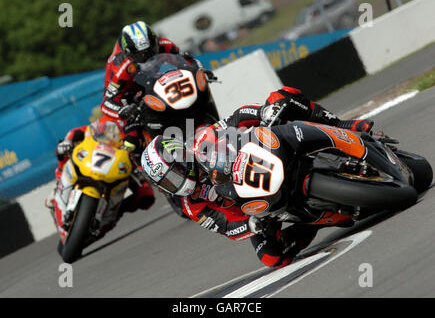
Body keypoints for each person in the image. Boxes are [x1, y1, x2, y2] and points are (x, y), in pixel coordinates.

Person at [140, 86, 374, 268]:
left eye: (174, 176)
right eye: (169, 184)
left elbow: (236, 118)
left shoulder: (202, 141)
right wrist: (250, 225)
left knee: (281, 97)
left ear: (180, 160)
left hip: (266, 154)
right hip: (258, 207)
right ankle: (316, 221)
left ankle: (343, 125)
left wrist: (263, 113)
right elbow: (225, 227)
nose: (177, 184)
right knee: (273, 259)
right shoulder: (192, 205)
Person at [45, 117, 155, 218]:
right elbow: (78, 132)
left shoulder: (143, 132)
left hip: (124, 166)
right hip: (98, 158)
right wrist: (67, 142)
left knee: (147, 196)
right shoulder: (108, 124)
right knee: (64, 150)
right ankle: (59, 183)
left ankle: (115, 212)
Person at [101, 20, 181, 155]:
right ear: (129, 53)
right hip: (127, 96)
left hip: (152, 80)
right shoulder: (121, 68)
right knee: (132, 142)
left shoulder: (164, 44)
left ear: (155, 41)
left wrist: (198, 70)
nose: (147, 58)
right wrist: (123, 110)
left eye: (150, 51)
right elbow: (106, 103)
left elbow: (185, 61)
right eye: (141, 55)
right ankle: (145, 166)